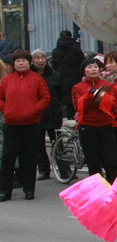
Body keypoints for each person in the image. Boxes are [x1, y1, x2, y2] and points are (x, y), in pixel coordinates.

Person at [0, 50, 50, 201]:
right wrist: (5, 110)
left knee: (29, 157)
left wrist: (34, 110)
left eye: (24, 61)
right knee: (8, 158)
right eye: (18, 61)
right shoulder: (7, 80)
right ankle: (5, 191)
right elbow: (1, 98)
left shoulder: (37, 79)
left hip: (31, 124)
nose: (21, 63)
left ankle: (29, 189)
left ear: (29, 63)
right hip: (11, 124)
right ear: (13, 64)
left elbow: (45, 97)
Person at [72, 56, 117, 181]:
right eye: (90, 67)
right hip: (87, 126)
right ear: (84, 70)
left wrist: (101, 97)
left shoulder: (107, 85)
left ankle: (113, 187)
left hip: (105, 125)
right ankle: (96, 188)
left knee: (111, 159)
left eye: (96, 67)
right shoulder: (78, 87)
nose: (93, 69)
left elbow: (114, 104)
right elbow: (78, 106)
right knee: (93, 161)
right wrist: (89, 96)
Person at [30, 50, 63, 181]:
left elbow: (61, 93)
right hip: (36, 114)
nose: (40, 60)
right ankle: (44, 169)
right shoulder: (29, 76)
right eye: (37, 58)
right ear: (32, 61)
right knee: (38, 144)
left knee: (57, 142)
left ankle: (63, 169)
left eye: (42, 57)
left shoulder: (56, 75)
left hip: (53, 113)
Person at [52, 30, 84, 119]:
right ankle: (74, 120)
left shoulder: (55, 51)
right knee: (74, 101)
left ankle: (66, 119)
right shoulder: (76, 48)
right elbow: (82, 62)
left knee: (64, 101)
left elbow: (54, 66)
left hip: (61, 79)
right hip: (75, 78)